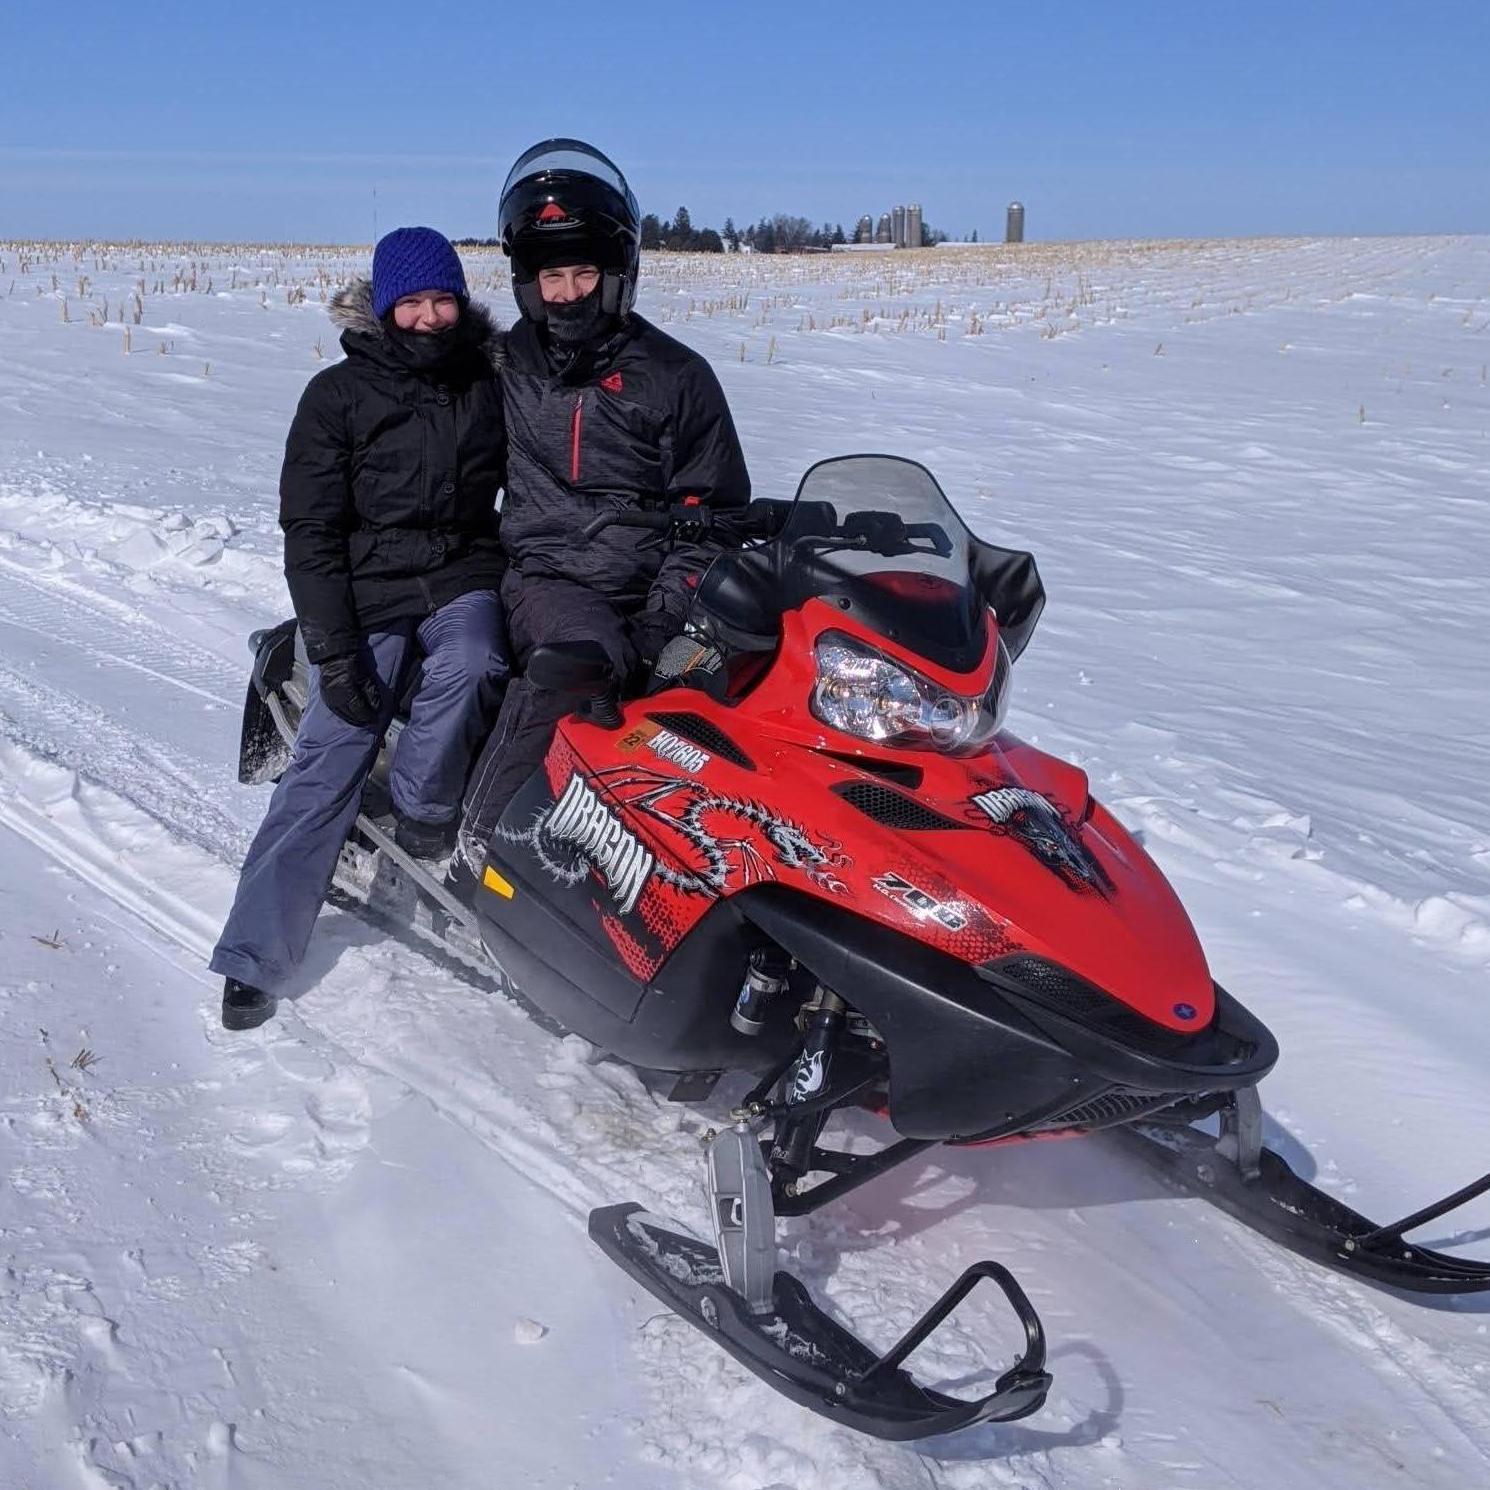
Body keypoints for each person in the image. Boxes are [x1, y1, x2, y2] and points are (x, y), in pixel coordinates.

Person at [213, 227, 509, 1030]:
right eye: (411, 301)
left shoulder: (489, 380)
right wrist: (337, 654)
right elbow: (309, 532)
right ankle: (254, 954)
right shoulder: (336, 397)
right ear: (384, 308)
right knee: (329, 752)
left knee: (481, 659)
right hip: (361, 590)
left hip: (457, 578)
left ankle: (419, 807)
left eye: (442, 298)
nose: (429, 316)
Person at [457, 140, 750, 881]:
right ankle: (479, 843)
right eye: (551, 275)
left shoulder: (678, 377)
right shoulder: (502, 363)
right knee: (582, 660)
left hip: (662, 591)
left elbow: (711, 514)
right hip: (549, 578)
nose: (568, 293)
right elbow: (427, 420)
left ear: (619, 274)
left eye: (585, 272)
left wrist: (666, 615)